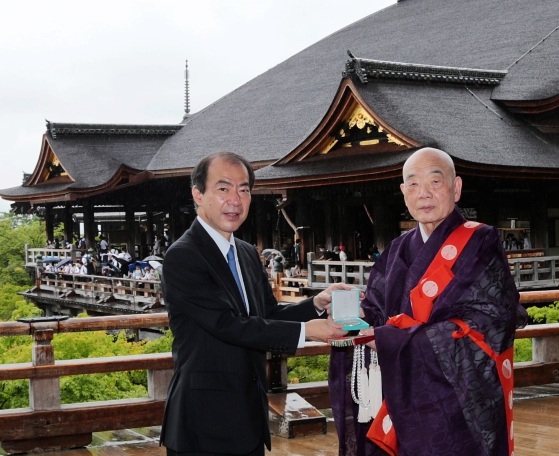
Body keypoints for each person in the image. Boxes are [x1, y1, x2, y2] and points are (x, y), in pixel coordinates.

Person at [330, 147, 527, 456]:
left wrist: (390, 340)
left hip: (455, 396)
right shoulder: (396, 249)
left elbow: (490, 319)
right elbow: (377, 310)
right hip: (399, 390)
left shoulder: (480, 241)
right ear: (403, 193)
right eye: (413, 184)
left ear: (456, 187)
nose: (423, 193)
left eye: (435, 182)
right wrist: (352, 315)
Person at [159, 151, 350, 456]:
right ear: (198, 194)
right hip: (203, 419)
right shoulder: (184, 256)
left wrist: (314, 303)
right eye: (223, 189)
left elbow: (269, 314)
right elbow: (227, 324)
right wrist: (307, 331)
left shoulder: (247, 253)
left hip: (248, 415)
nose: (235, 199)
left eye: (244, 189)